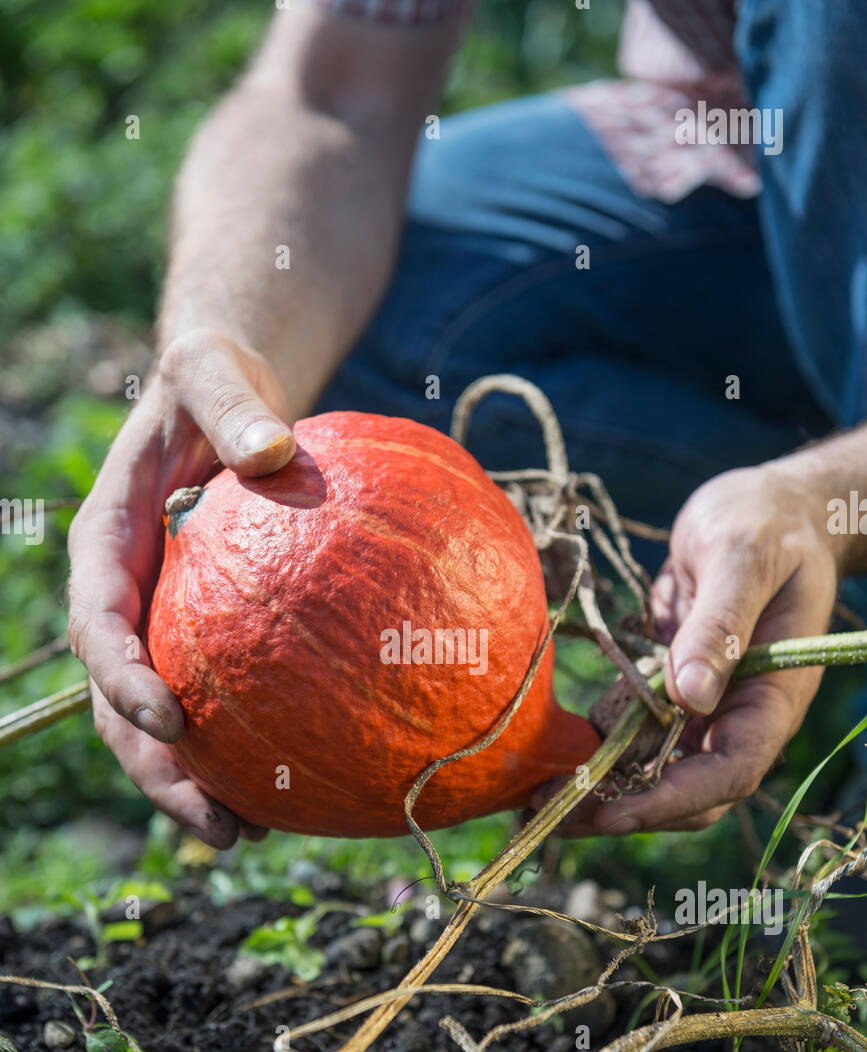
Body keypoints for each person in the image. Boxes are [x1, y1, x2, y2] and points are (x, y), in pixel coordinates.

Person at [67, 0, 867, 848]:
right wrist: (221, 353)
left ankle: (814, 563)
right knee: (355, 315)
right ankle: (778, 554)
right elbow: (329, 93)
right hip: (742, 150)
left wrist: (829, 500)